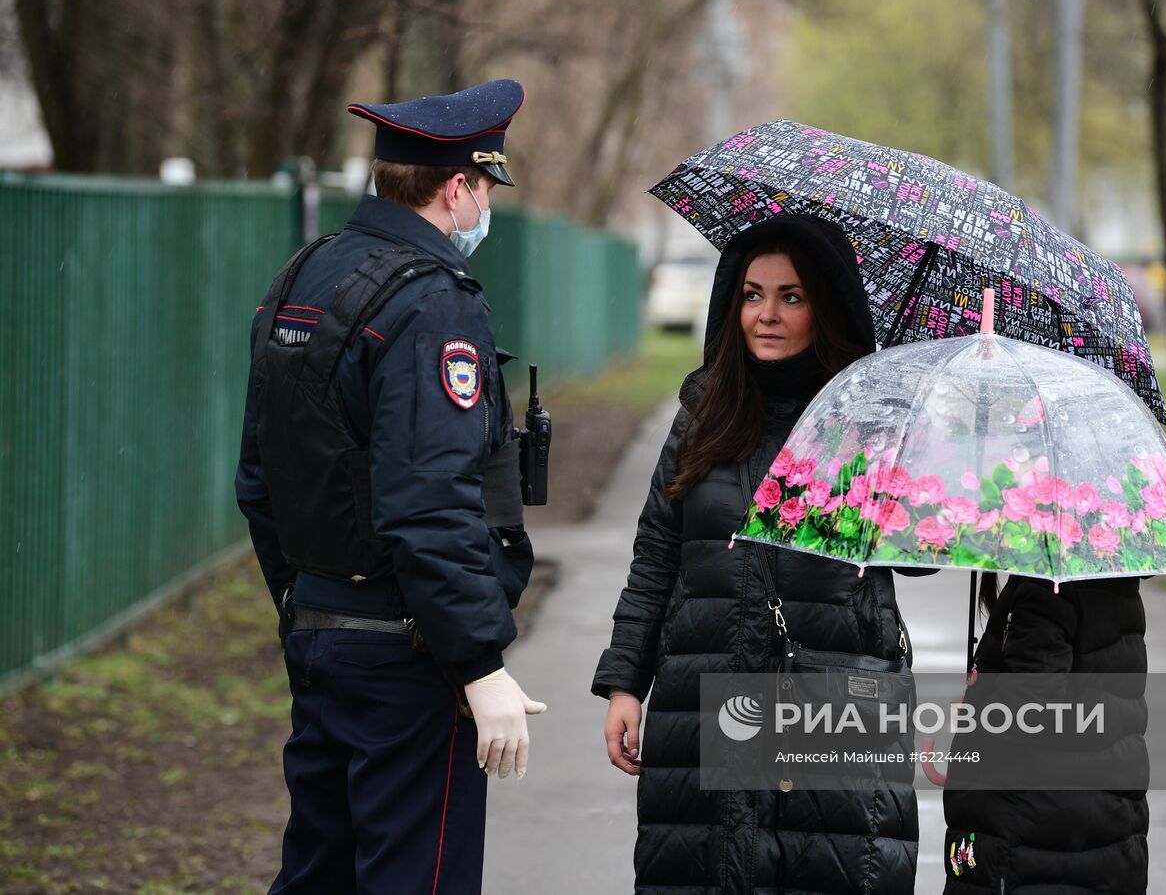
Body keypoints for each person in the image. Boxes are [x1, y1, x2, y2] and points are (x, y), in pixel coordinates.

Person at [235, 79, 546, 895]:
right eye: (483, 191)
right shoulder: (433, 304)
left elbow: (259, 482)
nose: (483, 210)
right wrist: (478, 665)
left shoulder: (303, 274)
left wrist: (307, 604)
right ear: (457, 188)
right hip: (405, 659)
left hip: (320, 632)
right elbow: (428, 503)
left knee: (319, 875)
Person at [592, 213, 920, 893]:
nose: (766, 314)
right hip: (703, 693)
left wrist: (927, 454)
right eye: (751, 294)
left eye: (791, 297)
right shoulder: (703, 413)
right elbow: (657, 553)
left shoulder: (869, 420)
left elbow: (922, 558)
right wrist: (627, 680)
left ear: (824, 309)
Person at [942, 573, 1149, 894]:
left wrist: (978, 707)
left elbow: (1031, 710)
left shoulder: (1044, 590)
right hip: (1105, 822)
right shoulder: (1116, 585)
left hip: (1030, 829)